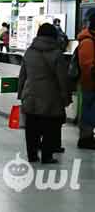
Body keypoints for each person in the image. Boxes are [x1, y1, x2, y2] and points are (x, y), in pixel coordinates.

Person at [18, 23, 71, 164]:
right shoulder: (56, 53)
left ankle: (32, 155)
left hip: (30, 95)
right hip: (50, 97)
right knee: (50, 127)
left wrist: (20, 94)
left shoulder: (29, 52)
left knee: (31, 128)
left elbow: (22, 75)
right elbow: (62, 78)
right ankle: (47, 156)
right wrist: (66, 96)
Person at [76, 15, 95, 150]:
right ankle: (85, 139)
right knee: (89, 111)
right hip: (90, 84)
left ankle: (88, 137)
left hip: (91, 83)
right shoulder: (88, 41)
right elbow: (87, 65)